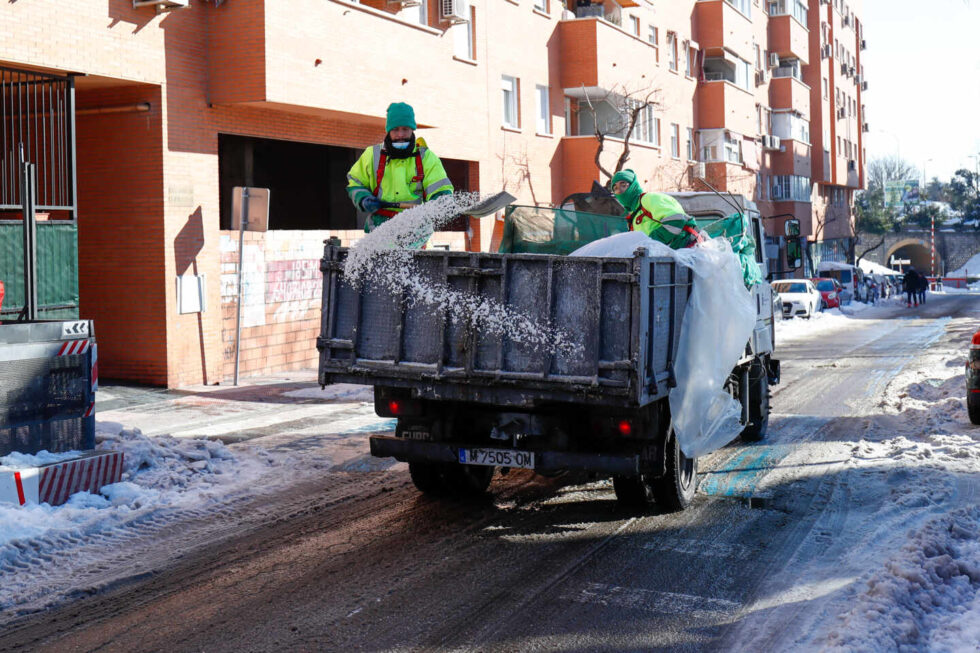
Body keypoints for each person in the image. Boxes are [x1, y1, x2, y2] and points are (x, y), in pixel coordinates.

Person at [346, 102, 454, 233]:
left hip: (416, 230)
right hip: (378, 228)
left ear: (412, 130)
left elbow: (440, 188)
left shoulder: (426, 157)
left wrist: (441, 201)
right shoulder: (372, 155)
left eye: (405, 129)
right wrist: (363, 198)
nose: (400, 134)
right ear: (388, 131)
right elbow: (356, 183)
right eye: (395, 129)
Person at [610, 169, 703, 249]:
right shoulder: (633, 215)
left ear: (633, 185)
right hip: (672, 259)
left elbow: (676, 219)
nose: (620, 190)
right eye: (616, 188)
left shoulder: (648, 199)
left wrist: (650, 242)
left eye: (623, 185)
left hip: (691, 251)